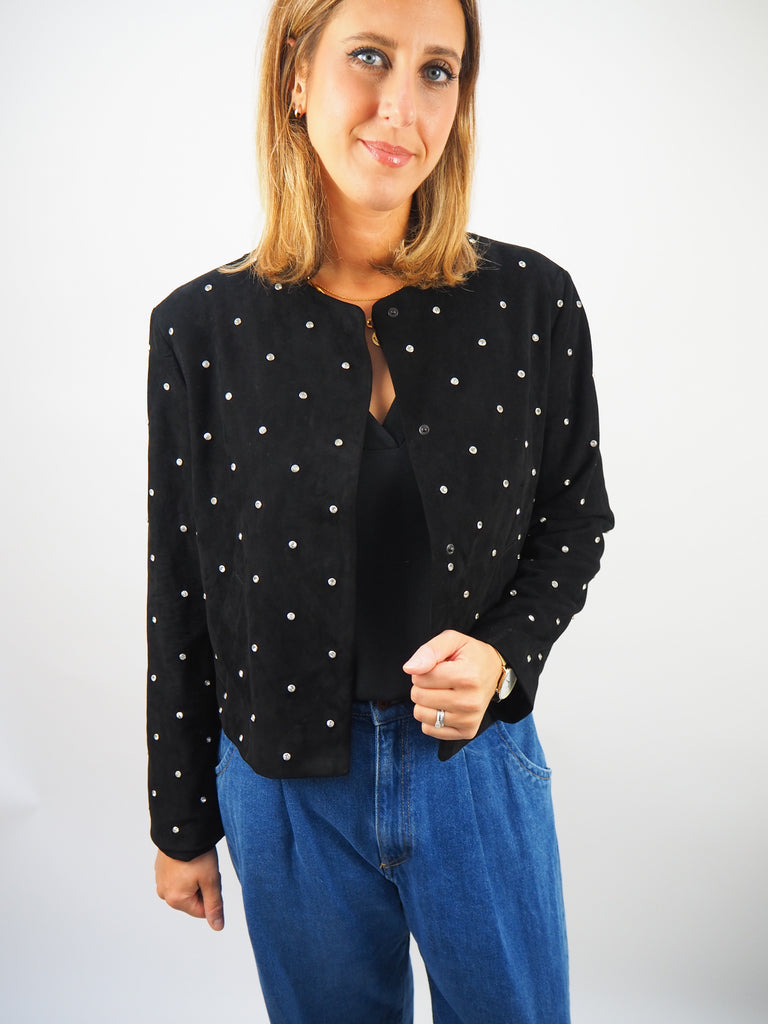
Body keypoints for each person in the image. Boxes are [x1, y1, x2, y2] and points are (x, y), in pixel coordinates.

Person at [147, 0, 614, 1021]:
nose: (402, 104)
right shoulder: (200, 328)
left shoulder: (532, 301)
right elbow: (180, 579)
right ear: (295, 75)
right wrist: (178, 820)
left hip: (475, 770)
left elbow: (577, 515)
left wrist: (502, 655)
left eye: (438, 70)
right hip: (283, 781)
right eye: (369, 56)